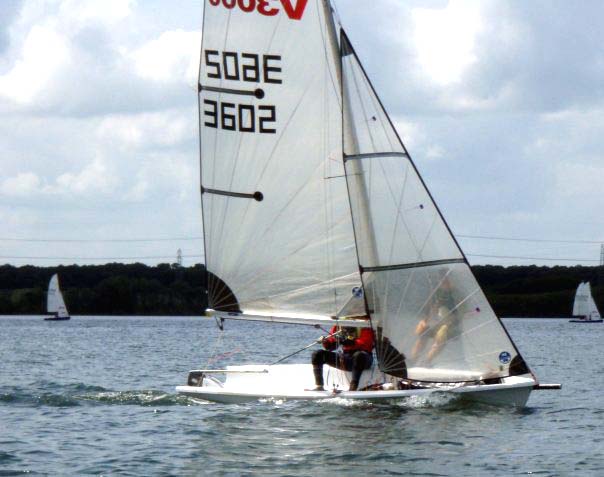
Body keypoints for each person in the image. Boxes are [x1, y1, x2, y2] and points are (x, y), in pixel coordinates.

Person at [310, 319, 375, 391]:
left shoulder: (365, 324)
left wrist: (349, 342)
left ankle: (353, 388)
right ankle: (319, 386)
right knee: (317, 354)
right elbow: (331, 346)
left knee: (359, 355)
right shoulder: (339, 323)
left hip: (364, 358)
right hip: (346, 358)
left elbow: (366, 344)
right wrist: (325, 341)